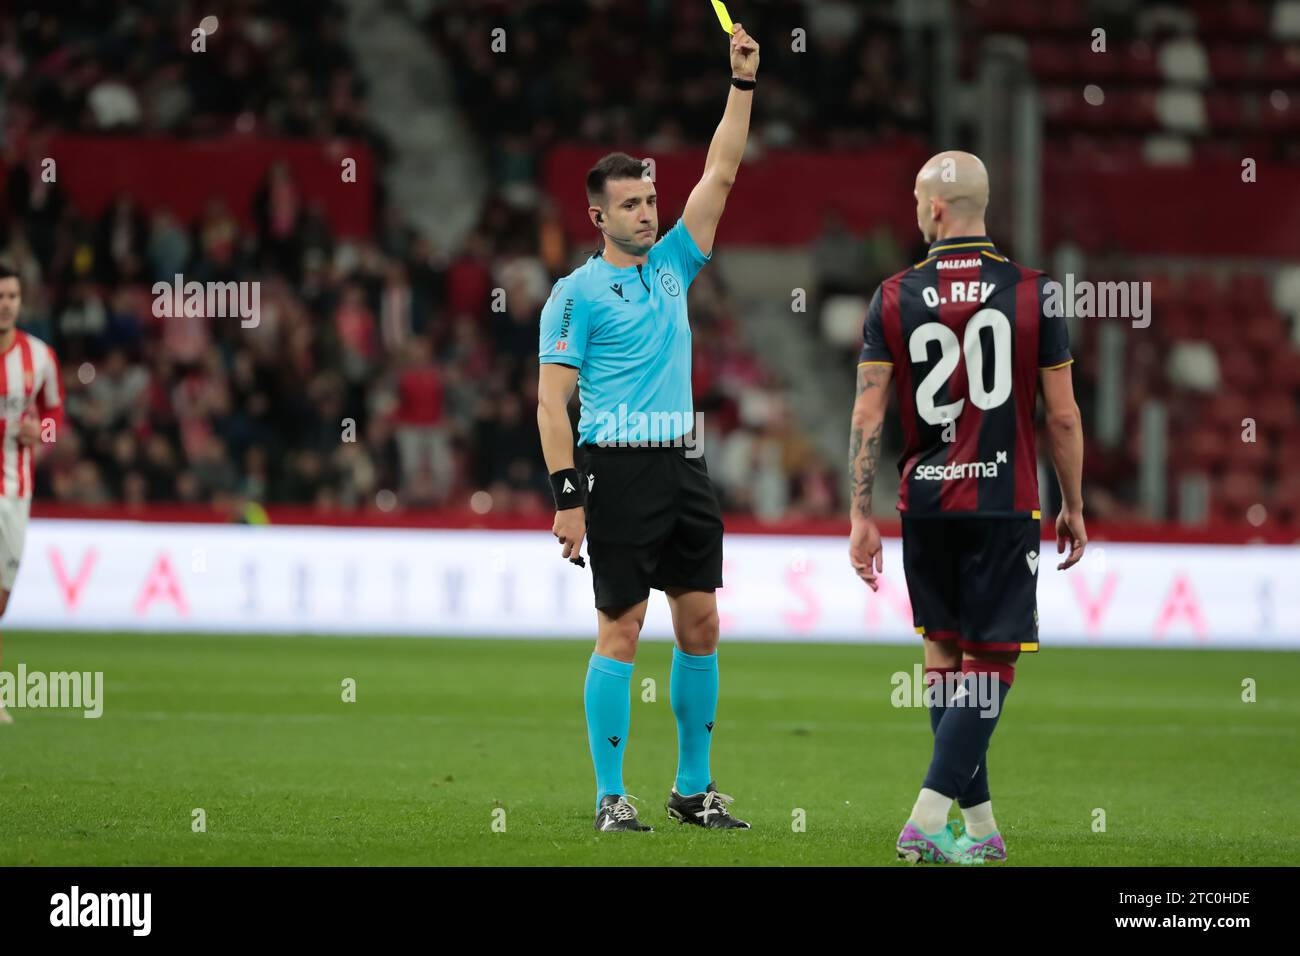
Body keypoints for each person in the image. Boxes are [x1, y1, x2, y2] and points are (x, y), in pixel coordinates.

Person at [536, 25, 760, 832]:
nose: (645, 213)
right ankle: (609, 795)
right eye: (628, 204)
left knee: (699, 621)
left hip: (681, 464)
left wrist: (741, 85)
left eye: (649, 201)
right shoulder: (575, 295)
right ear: (597, 214)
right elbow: (548, 402)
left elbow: (724, 170)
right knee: (622, 626)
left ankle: (692, 791)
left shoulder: (673, 264)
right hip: (615, 468)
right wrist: (567, 497)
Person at [847, 151, 1086, 862]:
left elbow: (867, 414)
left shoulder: (892, 295)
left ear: (938, 209)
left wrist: (860, 513)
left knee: (946, 653)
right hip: (1002, 498)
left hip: (924, 504)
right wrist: (1073, 503)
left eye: (919, 200)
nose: (916, 211)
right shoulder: (1034, 292)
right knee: (993, 659)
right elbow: (1064, 417)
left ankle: (978, 833)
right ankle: (925, 820)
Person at [0, 265, 65, 724]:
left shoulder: (39, 356)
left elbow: (54, 415)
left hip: (15, 489)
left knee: (1, 599)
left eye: (13, 296)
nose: (6, 303)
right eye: (0, 295)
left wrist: (37, 433)